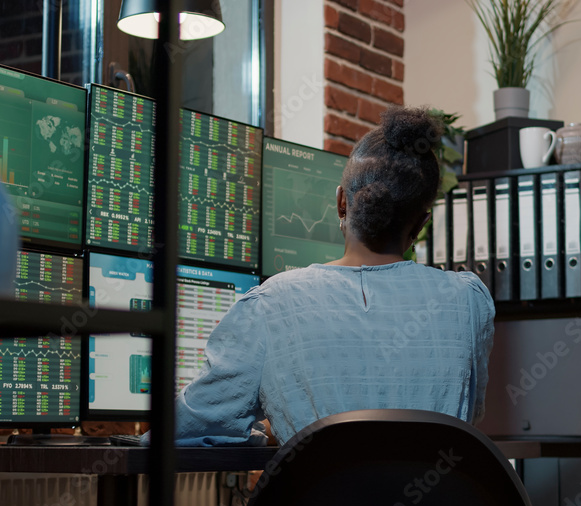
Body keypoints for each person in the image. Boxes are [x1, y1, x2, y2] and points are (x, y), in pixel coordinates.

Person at [173, 105, 495, 446]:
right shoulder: (468, 301)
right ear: (420, 223)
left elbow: (188, 425)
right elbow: (465, 417)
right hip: (435, 498)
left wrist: (269, 436)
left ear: (342, 203)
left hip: (318, 500)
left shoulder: (271, 303)